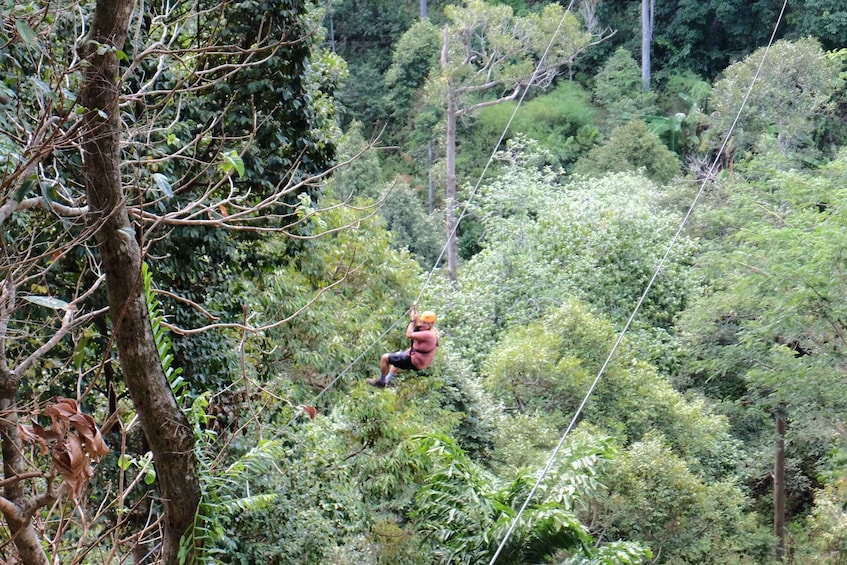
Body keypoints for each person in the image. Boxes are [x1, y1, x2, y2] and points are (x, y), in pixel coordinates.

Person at [367, 308, 439, 388]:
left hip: (414, 362)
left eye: (425, 323)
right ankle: (388, 379)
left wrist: (412, 321)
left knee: (385, 358)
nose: (422, 324)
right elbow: (417, 327)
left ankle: (381, 381)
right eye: (422, 322)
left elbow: (409, 334)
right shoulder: (430, 331)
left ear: (431, 324)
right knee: (398, 355)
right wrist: (415, 313)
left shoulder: (429, 335)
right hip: (417, 360)